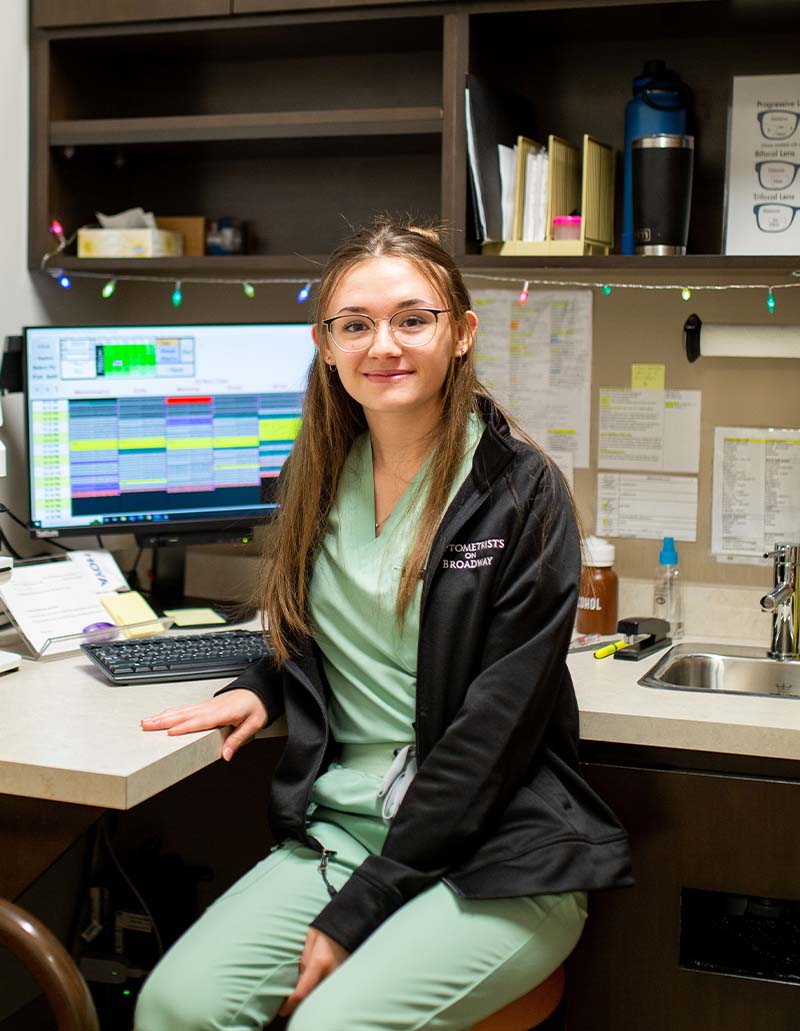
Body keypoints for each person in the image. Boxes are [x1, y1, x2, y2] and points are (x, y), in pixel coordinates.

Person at [134, 217, 632, 1031]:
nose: (383, 345)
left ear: (462, 332)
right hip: (346, 834)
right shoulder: (317, 472)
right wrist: (265, 681)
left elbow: (493, 733)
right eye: (355, 325)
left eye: (412, 318)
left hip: (495, 851)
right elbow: (331, 622)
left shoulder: (521, 492)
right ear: (324, 345)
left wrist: (361, 908)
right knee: (172, 1007)